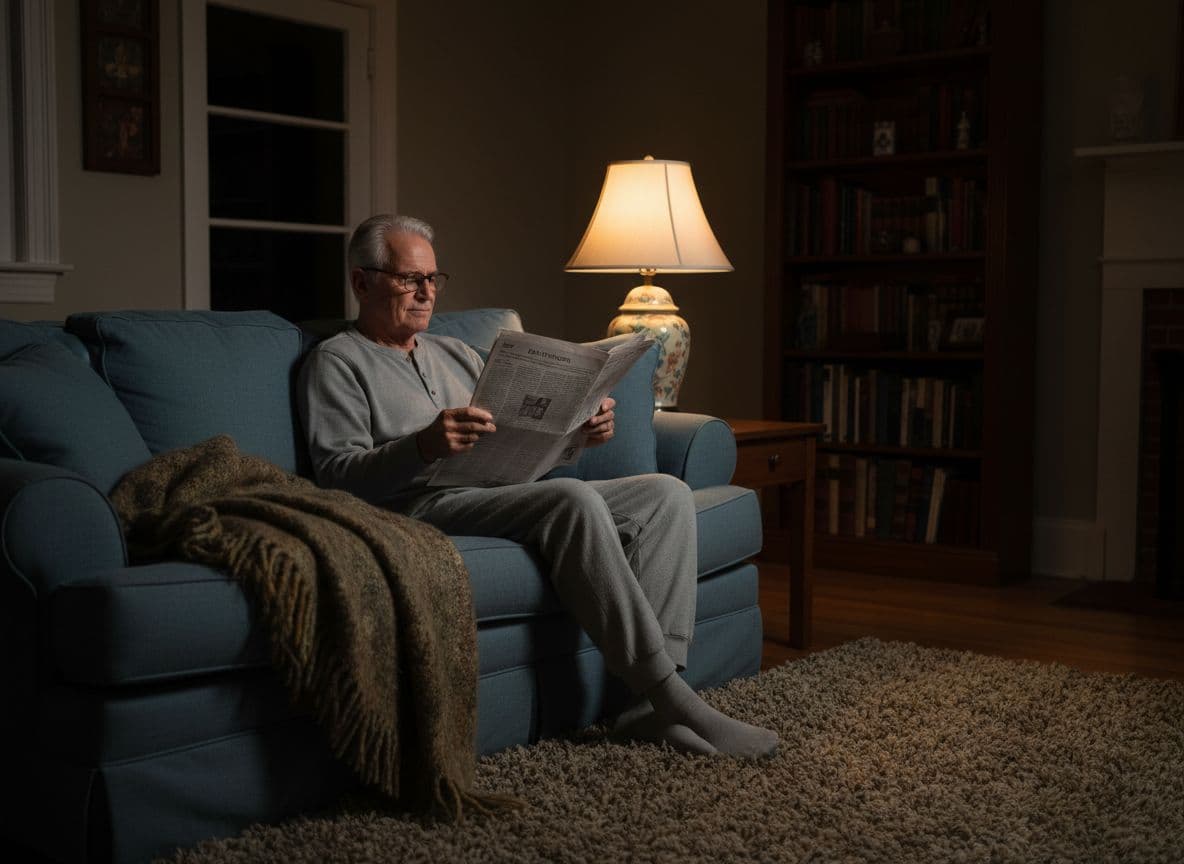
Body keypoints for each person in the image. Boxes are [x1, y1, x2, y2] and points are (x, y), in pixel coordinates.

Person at [297, 214, 778, 758]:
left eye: (434, 278)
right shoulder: (336, 363)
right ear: (362, 283)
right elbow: (337, 479)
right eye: (410, 279)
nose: (427, 293)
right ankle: (672, 698)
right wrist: (421, 447)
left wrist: (579, 434)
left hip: (497, 489)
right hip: (420, 507)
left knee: (664, 493)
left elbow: (517, 438)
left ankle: (644, 712)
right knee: (570, 501)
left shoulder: (454, 353)